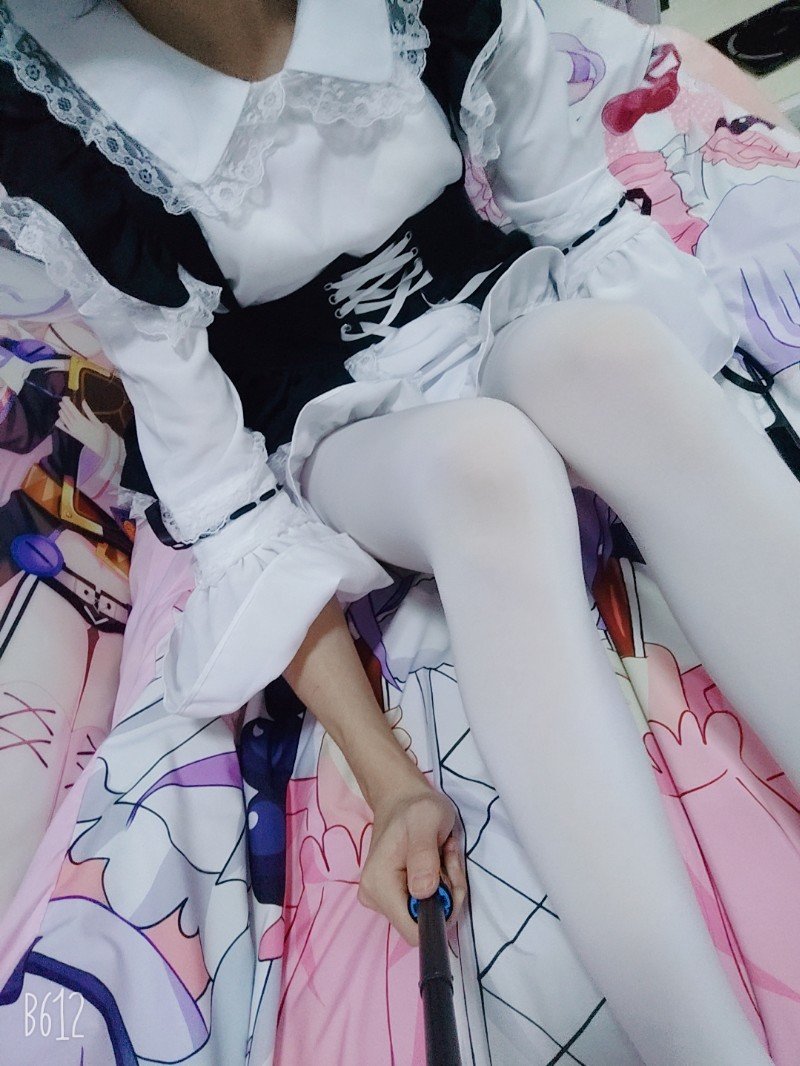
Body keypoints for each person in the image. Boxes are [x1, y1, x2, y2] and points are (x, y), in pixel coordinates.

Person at [0, 0, 797, 1062]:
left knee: (620, 356)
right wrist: (390, 780)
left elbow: (573, 208)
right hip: (324, 425)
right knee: (485, 466)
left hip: (492, 306)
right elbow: (225, 505)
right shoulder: (53, 121)